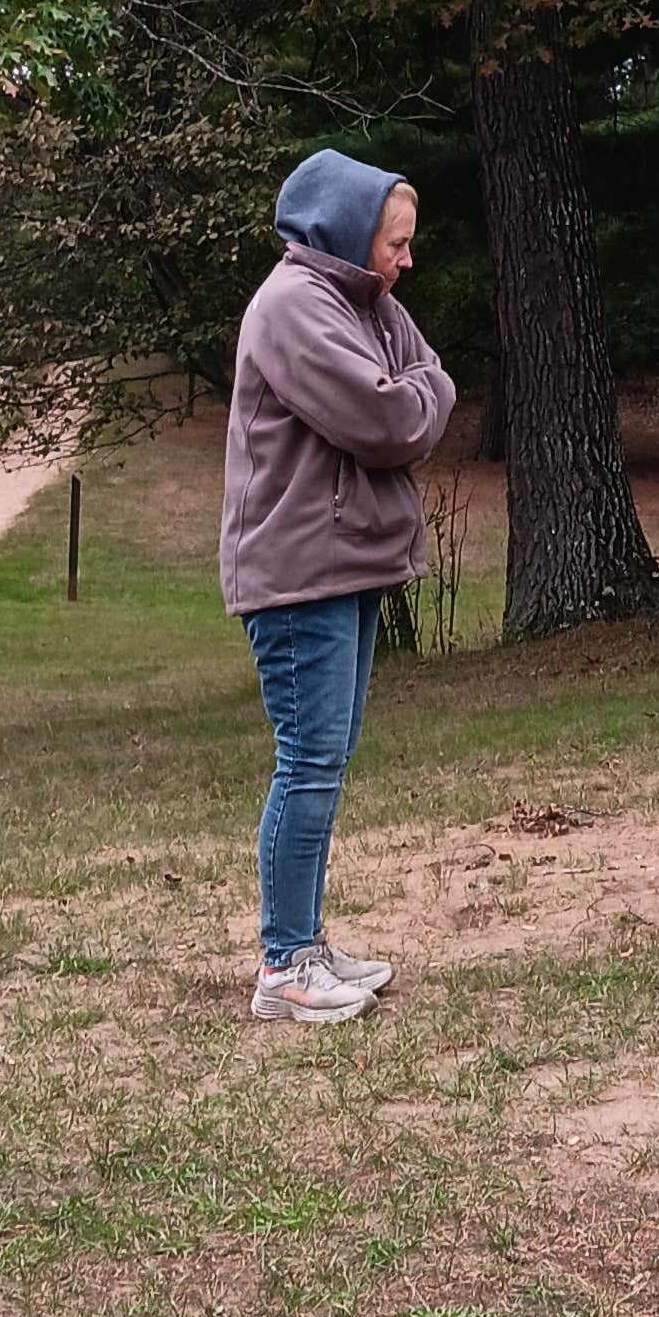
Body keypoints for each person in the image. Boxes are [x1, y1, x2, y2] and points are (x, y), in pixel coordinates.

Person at [218, 147, 459, 1024]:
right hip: (298, 575)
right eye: (396, 243)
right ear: (351, 234)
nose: (405, 261)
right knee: (308, 764)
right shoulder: (293, 307)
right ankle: (283, 964)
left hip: (348, 563)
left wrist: (415, 392)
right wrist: (413, 396)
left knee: (328, 759)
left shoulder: (370, 306)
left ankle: (308, 943)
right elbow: (390, 418)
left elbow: (433, 385)